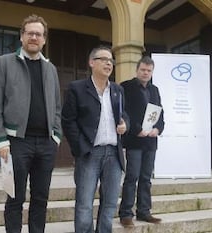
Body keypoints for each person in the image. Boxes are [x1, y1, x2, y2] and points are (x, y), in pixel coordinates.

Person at [0, 14, 62, 233]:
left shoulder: (51, 70)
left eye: (38, 34)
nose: (34, 37)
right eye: (30, 33)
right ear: (22, 36)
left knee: (40, 199)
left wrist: (55, 136)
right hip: (16, 142)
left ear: (44, 40)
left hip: (46, 144)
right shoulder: (4, 63)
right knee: (15, 198)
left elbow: (57, 106)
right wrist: (0, 140)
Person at [62, 46, 129, 233]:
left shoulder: (117, 90)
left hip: (114, 155)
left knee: (109, 204)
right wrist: (80, 147)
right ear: (92, 63)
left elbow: (124, 115)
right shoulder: (77, 88)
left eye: (111, 61)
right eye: (104, 59)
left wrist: (125, 125)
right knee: (84, 204)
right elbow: (68, 121)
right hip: (89, 153)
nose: (109, 63)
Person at [118, 56, 165, 228]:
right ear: (137, 70)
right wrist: (137, 129)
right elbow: (124, 112)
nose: (145, 73)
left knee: (146, 178)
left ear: (152, 72)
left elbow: (160, 113)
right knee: (132, 177)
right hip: (134, 140)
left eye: (149, 70)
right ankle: (125, 214)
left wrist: (158, 129)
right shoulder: (126, 87)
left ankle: (144, 212)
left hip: (150, 142)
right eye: (143, 70)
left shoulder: (155, 90)